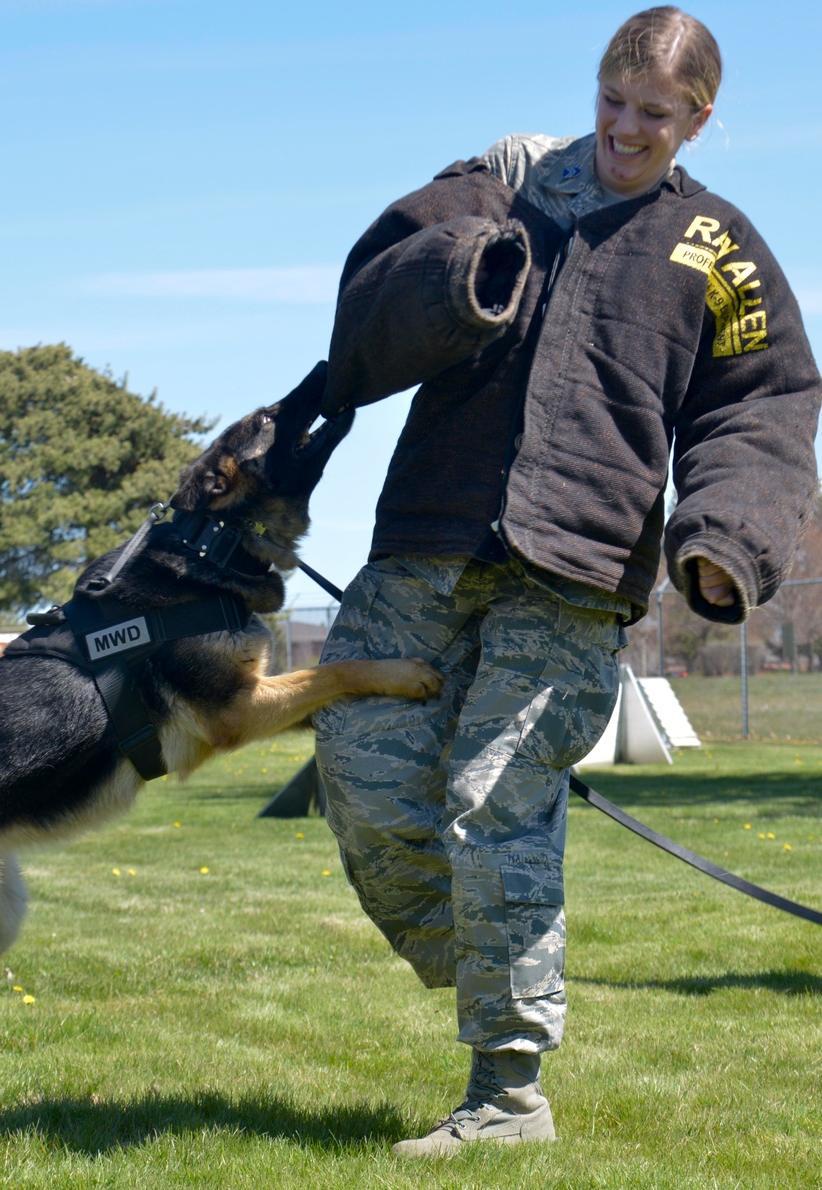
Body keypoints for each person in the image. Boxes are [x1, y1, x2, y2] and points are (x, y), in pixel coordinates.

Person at [312, 6, 822, 1158]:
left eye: (655, 113)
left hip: (575, 570)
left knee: (497, 801)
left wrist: (725, 535)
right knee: (355, 762)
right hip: (427, 541)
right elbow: (367, 297)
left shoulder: (717, 249)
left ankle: (506, 1091)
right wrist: (461, 265)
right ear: (590, 85)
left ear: (698, 119)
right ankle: (503, 957)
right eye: (611, 99)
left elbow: (764, 402)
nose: (624, 128)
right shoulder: (501, 185)